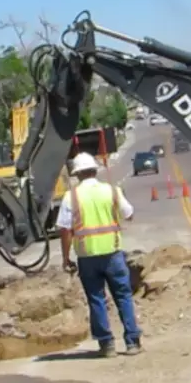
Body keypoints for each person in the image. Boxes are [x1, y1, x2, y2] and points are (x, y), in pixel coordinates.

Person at [56, 152, 142, 357]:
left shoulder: (72, 196)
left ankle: (107, 345)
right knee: (123, 297)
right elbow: (129, 214)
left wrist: (66, 257)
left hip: (87, 257)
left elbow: (65, 230)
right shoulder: (111, 191)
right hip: (113, 254)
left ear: (77, 174)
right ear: (95, 170)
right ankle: (133, 343)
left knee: (96, 299)